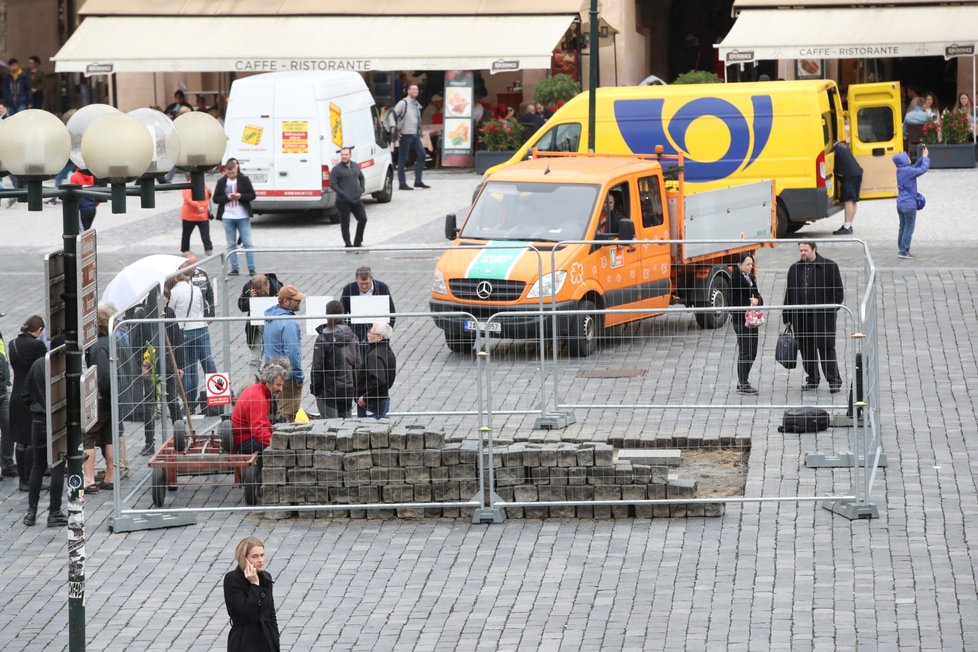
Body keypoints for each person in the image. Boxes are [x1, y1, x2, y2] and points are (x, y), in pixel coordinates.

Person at [783, 242, 844, 393]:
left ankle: (834, 380)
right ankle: (812, 379)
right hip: (801, 317)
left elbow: (838, 293)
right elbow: (789, 294)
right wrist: (788, 316)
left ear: (814, 249)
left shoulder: (830, 266)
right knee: (806, 349)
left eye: (806, 250)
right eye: (800, 250)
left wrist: (830, 310)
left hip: (822, 317)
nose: (802, 253)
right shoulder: (794, 268)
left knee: (826, 348)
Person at [22, 339, 68, 528]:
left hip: (39, 419)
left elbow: (25, 394)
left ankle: (31, 512)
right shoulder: (66, 368)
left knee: (38, 465)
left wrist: (36, 408)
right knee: (58, 465)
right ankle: (54, 511)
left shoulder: (38, 364)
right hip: (59, 418)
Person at [170, 263, 217, 413]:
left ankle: (189, 404)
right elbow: (202, 306)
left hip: (185, 331)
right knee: (208, 362)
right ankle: (217, 397)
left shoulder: (173, 293)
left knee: (189, 368)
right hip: (201, 328)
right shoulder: (196, 289)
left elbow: (170, 311)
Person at [8, 315, 46, 489]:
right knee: (31, 440)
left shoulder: (12, 344)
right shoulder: (37, 346)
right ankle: (29, 479)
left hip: (16, 395)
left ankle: (22, 479)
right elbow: (44, 366)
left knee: (20, 439)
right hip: (31, 395)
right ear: (38, 330)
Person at [223, 536, 281, 652]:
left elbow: (270, 613)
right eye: (255, 556)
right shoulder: (232, 580)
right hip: (244, 642)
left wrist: (275, 640)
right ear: (244, 559)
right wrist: (254, 585)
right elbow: (246, 612)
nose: (260, 560)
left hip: (267, 640)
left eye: (262, 555)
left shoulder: (266, 577)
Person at [84, 304, 118, 493]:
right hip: (113, 397)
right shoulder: (115, 339)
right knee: (109, 436)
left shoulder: (97, 345)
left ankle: (89, 480)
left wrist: (104, 395)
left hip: (99, 398)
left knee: (88, 437)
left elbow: (102, 376)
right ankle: (110, 477)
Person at [311, 300, 360, 419]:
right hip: (347, 389)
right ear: (342, 314)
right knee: (347, 428)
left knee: (330, 427)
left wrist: (315, 390)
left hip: (328, 391)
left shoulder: (323, 339)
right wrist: (356, 389)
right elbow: (357, 366)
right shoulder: (353, 337)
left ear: (327, 315)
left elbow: (317, 368)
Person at [263, 285, 305, 421]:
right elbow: (293, 353)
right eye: (296, 300)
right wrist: (298, 376)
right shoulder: (289, 323)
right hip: (287, 378)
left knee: (276, 415)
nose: (299, 302)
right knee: (287, 416)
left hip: (272, 374)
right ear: (286, 301)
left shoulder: (270, 318)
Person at [339, 266, 396, 358]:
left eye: (367, 283)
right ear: (356, 280)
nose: (364, 286)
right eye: (361, 284)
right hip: (356, 336)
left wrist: (384, 333)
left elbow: (391, 313)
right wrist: (348, 333)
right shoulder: (348, 289)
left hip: (378, 337)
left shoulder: (382, 288)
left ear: (372, 279)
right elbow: (341, 314)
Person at [230, 363, 287, 454]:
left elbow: (263, 425)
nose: (281, 389)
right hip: (244, 441)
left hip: (246, 435)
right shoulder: (258, 399)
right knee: (282, 448)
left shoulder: (259, 391)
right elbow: (259, 431)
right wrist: (278, 444)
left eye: (282, 385)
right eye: (278, 385)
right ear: (268, 383)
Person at [728, 253, 764, 395]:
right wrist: (750, 303)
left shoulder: (750, 278)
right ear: (739, 264)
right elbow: (733, 303)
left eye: (751, 264)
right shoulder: (735, 280)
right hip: (741, 320)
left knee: (752, 352)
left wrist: (757, 301)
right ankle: (742, 382)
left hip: (752, 320)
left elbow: (757, 295)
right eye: (748, 264)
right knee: (745, 352)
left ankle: (744, 380)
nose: (750, 267)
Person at [214, 158, 257, 276]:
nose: (231, 175)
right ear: (225, 172)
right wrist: (227, 198)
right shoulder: (221, 182)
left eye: (233, 173)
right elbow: (216, 198)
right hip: (227, 216)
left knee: (248, 243)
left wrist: (241, 196)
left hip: (242, 216)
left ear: (236, 169)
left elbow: (252, 195)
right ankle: (234, 268)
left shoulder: (244, 179)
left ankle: (251, 268)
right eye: (229, 173)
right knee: (231, 243)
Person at [238, 273, 283, 380]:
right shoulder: (248, 287)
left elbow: (285, 307)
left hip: (272, 328)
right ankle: (252, 385)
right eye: (259, 293)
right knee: (255, 359)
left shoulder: (277, 288)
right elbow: (241, 306)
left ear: (267, 284)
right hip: (255, 329)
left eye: (263, 291)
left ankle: (270, 383)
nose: (262, 294)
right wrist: (250, 299)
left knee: (272, 359)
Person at [893, 147, 931, 259]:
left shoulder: (901, 170)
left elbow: (915, 167)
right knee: (909, 227)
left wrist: (922, 158)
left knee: (903, 226)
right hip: (908, 204)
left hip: (900, 203)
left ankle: (901, 248)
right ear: (904, 161)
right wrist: (925, 157)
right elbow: (922, 169)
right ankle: (904, 251)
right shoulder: (907, 171)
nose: (909, 158)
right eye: (907, 157)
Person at [392, 83, 430, 190]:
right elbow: (392, 115)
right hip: (405, 134)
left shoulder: (416, 103)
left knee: (422, 155)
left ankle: (418, 181)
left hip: (414, 134)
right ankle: (402, 183)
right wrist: (395, 130)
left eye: (416, 89)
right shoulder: (403, 102)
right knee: (403, 159)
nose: (415, 91)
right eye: (413, 89)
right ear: (408, 91)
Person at [329, 147, 368, 248]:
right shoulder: (336, 169)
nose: (344, 157)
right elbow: (333, 185)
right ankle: (348, 244)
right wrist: (343, 193)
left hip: (356, 199)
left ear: (350, 155)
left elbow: (361, 177)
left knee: (363, 219)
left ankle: (357, 242)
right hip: (343, 201)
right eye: (342, 155)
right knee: (345, 224)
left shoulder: (355, 165)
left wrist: (362, 189)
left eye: (346, 154)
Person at [355, 322, 396, 419]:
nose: (368, 334)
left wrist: (366, 398)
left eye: (372, 333)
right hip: (381, 398)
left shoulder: (374, 356)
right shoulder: (388, 352)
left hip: (372, 402)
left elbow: (379, 380)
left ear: (380, 337)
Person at [832, 141, 863, 235]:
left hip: (849, 175)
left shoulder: (833, 149)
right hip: (857, 172)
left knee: (848, 200)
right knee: (853, 200)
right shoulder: (842, 146)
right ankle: (849, 225)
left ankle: (847, 227)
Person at [180, 175, 213, 255]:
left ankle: (208, 249)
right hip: (189, 216)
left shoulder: (203, 185)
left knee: (205, 235)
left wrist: (210, 193)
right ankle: (185, 251)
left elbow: (207, 198)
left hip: (202, 215)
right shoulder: (188, 186)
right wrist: (198, 206)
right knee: (186, 235)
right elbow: (188, 199)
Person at [0, 326, 14, 478]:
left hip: (3, 391)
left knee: (9, 428)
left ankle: (7, 464)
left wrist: (7, 381)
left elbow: (3, 359)